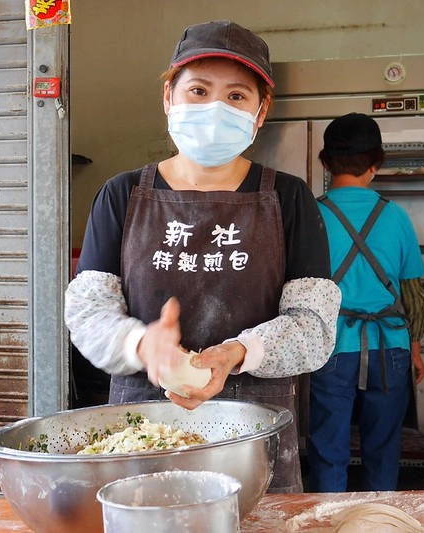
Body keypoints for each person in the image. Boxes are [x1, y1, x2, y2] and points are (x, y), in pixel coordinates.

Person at [64, 20, 341, 493]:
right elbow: (88, 311)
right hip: (141, 431)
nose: (215, 107)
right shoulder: (122, 195)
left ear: (261, 110)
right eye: (198, 90)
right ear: (168, 97)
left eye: (236, 96)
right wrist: (143, 346)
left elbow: (313, 326)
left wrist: (238, 352)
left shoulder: (290, 199)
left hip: (254, 436)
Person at [307, 113, 424, 492]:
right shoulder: (396, 217)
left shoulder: (313, 216)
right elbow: (413, 295)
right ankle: (381, 521)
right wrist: (416, 348)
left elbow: (298, 290)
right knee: (383, 448)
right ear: (376, 164)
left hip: (329, 346)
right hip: (389, 346)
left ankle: (328, 520)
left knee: (328, 448)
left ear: (325, 163)